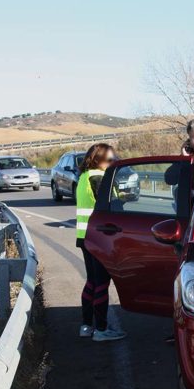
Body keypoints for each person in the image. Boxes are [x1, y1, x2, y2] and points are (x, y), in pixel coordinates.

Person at [76, 143, 126, 342]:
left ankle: (87, 325)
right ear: (98, 160)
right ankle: (102, 329)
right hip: (98, 237)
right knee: (101, 283)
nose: (112, 163)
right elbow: (109, 204)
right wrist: (122, 199)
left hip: (85, 235)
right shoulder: (97, 177)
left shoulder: (83, 177)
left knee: (92, 281)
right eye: (110, 160)